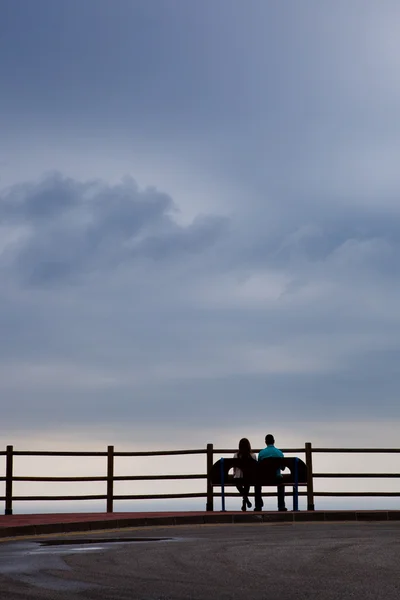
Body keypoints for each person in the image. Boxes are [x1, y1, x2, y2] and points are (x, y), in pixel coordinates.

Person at [254, 434, 287, 512]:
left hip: (264, 478)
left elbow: (259, 467)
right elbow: (283, 468)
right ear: (274, 441)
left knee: (257, 484)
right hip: (276, 478)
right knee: (281, 484)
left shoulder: (261, 453)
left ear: (265, 442)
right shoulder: (280, 453)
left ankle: (258, 506)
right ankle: (281, 506)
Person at [233, 438, 257, 511]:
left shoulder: (236, 455)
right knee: (247, 484)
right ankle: (245, 499)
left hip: (238, 477)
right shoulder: (253, 456)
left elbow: (234, 467)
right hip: (249, 477)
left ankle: (245, 498)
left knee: (238, 483)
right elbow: (255, 467)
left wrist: (234, 474)